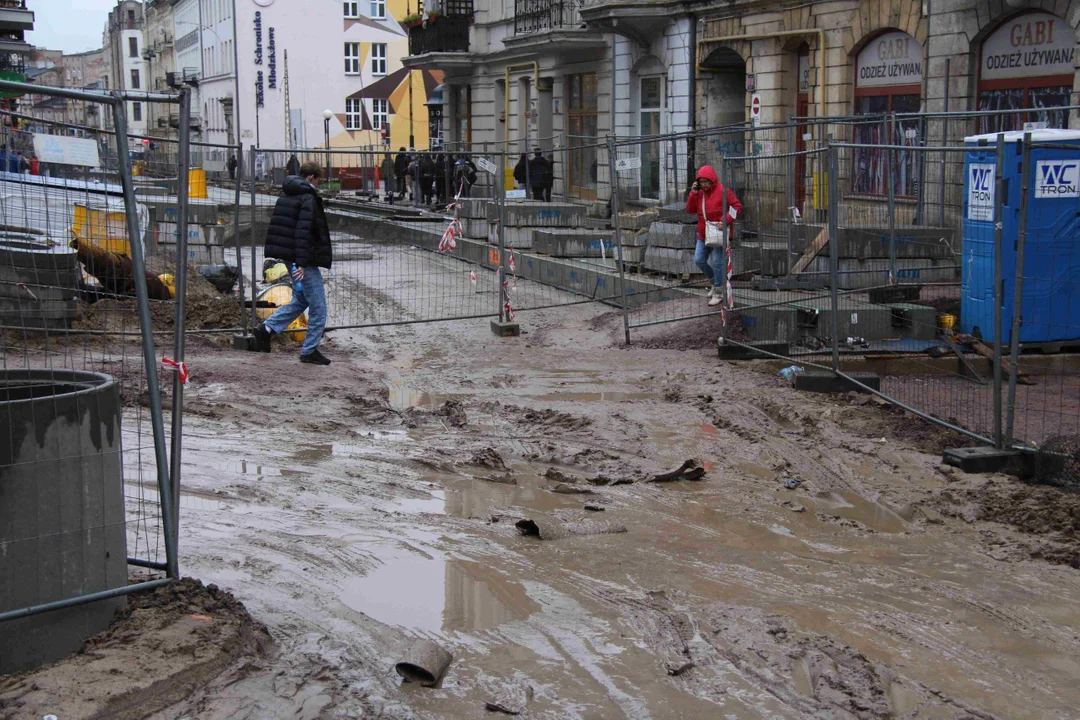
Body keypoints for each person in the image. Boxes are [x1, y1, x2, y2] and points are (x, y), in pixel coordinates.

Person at [252, 160, 333, 365]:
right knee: (318, 306)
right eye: (318, 180)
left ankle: (266, 329)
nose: (319, 184)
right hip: (302, 258)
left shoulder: (288, 193)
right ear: (312, 178)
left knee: (301, 300)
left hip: (291, 255)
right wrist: (302, 262)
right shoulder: (307, 197)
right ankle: (309, 350)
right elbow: (303, 232)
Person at [686, 165, 742, 307]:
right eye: (702, 181)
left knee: (717, 261)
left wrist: (726, 220)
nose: (704, 185)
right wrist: (693, 193)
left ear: (712, 180)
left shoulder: (723, 191)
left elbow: (737, 207)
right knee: (699, 260)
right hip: (703, 232)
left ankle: (718, 291)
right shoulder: (699, 193)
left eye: (706, 181)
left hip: (719, 232)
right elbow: (690, 210)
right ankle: (714, 282)